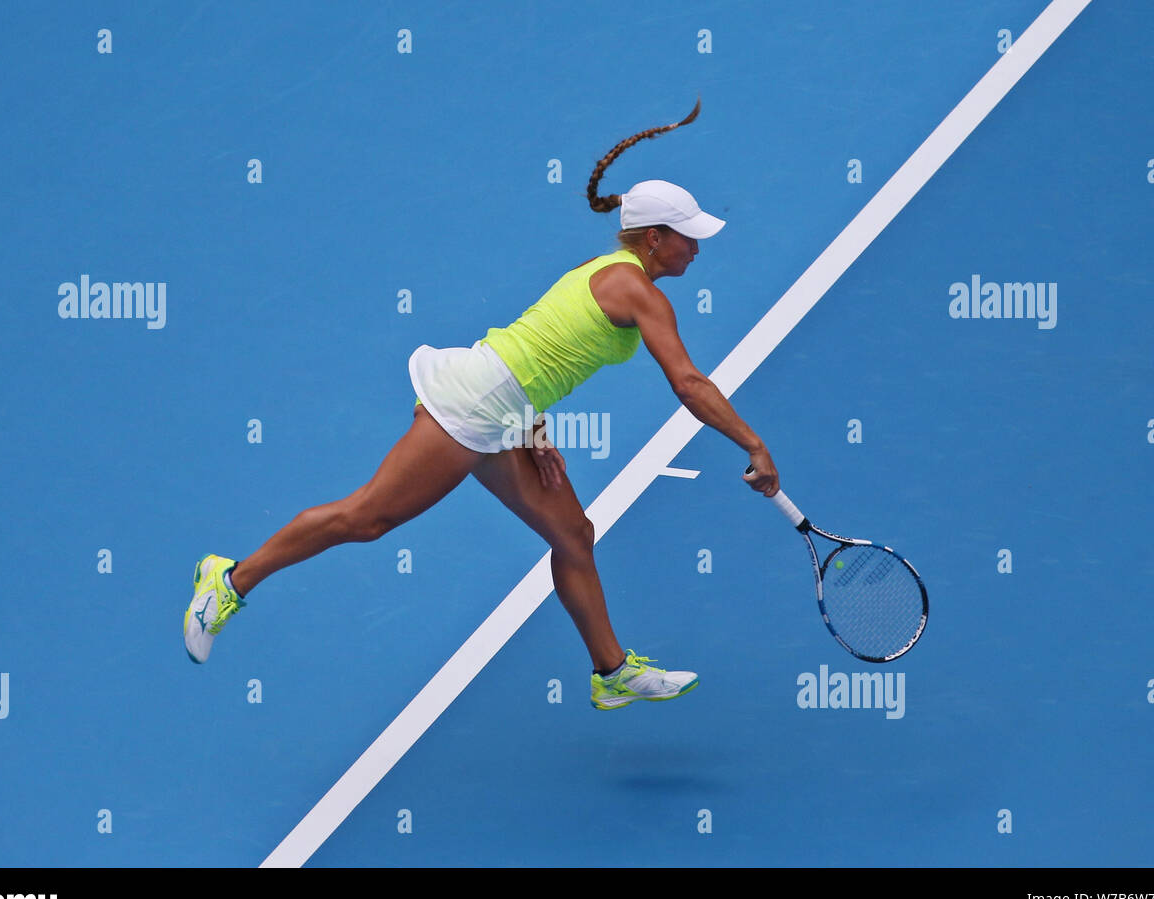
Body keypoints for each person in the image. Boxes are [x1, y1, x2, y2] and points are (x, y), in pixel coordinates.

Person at [184, 102, 781, 710]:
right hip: (472, 404)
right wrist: (753, 444)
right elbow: (687, 382)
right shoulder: (634, 288)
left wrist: (531, 427)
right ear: (655, 239)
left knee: (573, 533)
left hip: (504, 410)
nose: (697, 251)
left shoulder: (609, 270)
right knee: (366, 519)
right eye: (689, 239)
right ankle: (229, 581)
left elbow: (540, 348)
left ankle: (612, 671)